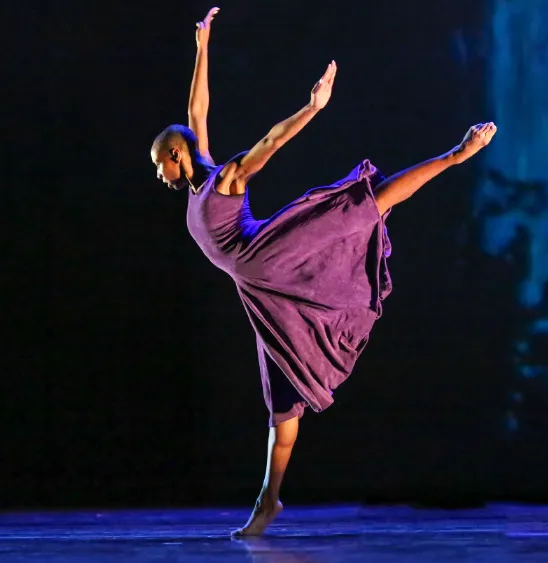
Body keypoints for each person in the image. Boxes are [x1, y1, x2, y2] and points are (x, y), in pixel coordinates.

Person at [149, 7, 497, 537]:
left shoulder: (225, 180)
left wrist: (312, 108)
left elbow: (268, 143)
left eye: (160, 165)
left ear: (176, 155)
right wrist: (203, 46)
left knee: (365, 204)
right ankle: (268, 501)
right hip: (261, 291)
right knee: (283, 405)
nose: (160, 174)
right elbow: (198, 109)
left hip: (271, 254)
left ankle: (457, 153)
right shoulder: (199, 177)